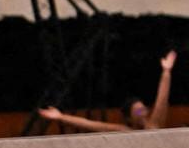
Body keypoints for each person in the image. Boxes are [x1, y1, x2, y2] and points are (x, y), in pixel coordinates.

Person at [40, 50, 176, 133]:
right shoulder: (125, 131)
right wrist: (60, 117)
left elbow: (162, 99)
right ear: (128, 118)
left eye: (143, 109)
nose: (142, 112)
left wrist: (166, 72)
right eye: (138, 111)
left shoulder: (155, 123)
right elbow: (92, 125)